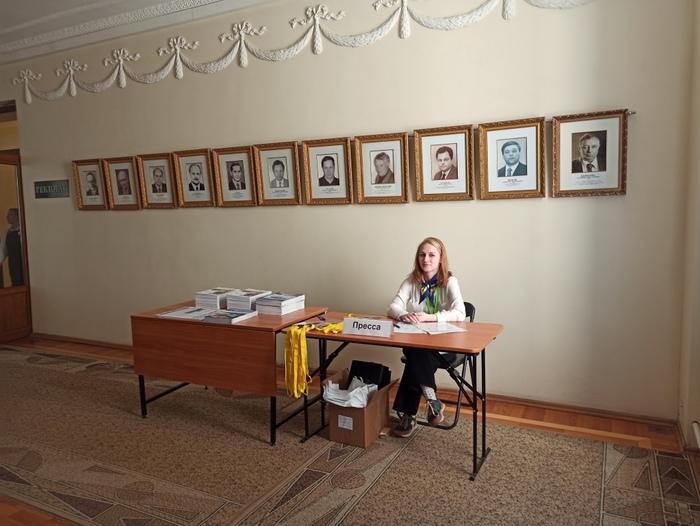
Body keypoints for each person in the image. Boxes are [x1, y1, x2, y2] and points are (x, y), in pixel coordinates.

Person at [387, 237, 466, 437]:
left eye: (432, 255)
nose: (426, 259)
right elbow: (392, 306)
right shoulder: (412, 281)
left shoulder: (450, 281)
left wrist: (430, 317)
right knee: (417, 350)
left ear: (441, 258)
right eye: (422, 255)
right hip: (418, 342)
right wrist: (403, 315)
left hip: (444, 346)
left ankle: (410, 416)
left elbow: (460, 313)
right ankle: (431, 400)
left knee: (416, 354)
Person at [1, 208, 24, 287]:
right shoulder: (6, 233)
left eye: (10, 215)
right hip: (13, 265)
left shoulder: (24, 231)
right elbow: (2, 251)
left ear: (17, 217)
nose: (7, 216)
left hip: (24, 264)